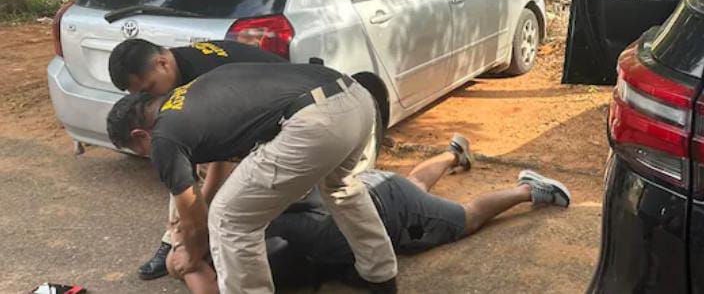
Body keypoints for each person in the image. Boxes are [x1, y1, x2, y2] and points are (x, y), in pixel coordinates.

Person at [106, 62, 398, 293]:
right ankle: (380, 277)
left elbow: (194, 217)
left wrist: (190, 255)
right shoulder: (195, 93)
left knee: (228, 219)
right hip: (356, 97)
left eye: (141, 151)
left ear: (139, 134)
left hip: (313, 121)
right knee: (342, 188)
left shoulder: (164, 136)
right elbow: (218, 169)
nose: (149, 156)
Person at [163, 135, 571, 292]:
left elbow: (208, 285)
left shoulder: (236, 217)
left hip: (380, 208)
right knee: (414, 184)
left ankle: (528, 189)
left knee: (465, 218)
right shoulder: (245, 190)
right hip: (359, 191)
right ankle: (453, 153)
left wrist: (190, 265)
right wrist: (187, 256)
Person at [108, 38, 284, 281]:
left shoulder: (206, 77)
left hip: (286, 115)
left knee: (227, 209)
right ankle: (175, 239)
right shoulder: (175, 68)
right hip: (260, 116)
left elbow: (225, 153)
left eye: (148, 89)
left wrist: (202, 212)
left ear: (162, 64)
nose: (149, 98)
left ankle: (199, 247)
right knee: (177, 165)